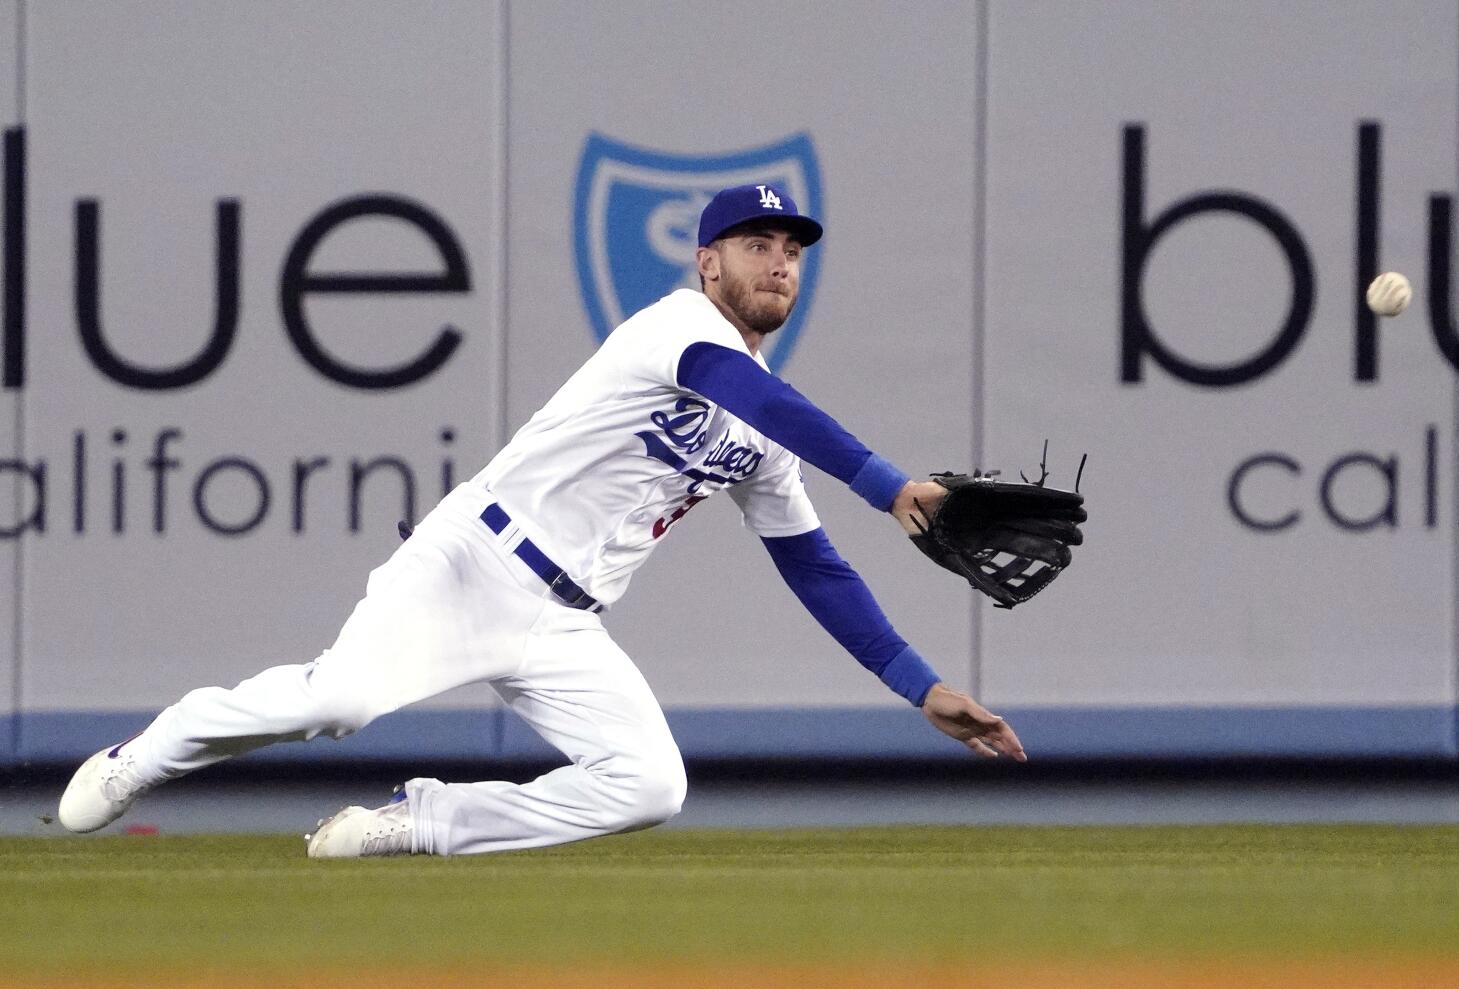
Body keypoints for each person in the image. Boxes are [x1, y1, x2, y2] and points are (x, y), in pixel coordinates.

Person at [58, 183, 1026, 858]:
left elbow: (814, 567)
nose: (778, 263)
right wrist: (889, 482)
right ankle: (150, 751)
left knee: (650, 784)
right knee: (336, 704)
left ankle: (418, 824)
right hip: (471, 562)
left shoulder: (763, 423)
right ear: (707, 262)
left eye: (791, 251)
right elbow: (746, 391)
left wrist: (920, 687)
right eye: (757, 246)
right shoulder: (675, 328)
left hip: (564, 622)